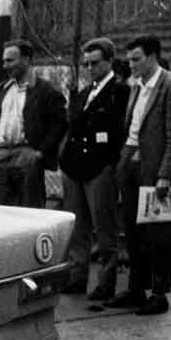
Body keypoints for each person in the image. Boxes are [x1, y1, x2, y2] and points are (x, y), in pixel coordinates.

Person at [106, 35, 171, 315]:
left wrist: (166, 175)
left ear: (153, 56)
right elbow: (132, 129)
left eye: (137, 59)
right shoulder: (136, 87)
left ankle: (159, 293)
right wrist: (122, 164)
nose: (132, 64)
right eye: (129, 60)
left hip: (155, 170)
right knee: (134, 232)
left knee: (160, 235)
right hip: (132, 165)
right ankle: (136, 288)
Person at [58, 37, 129, 301]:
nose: (90, 68)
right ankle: (77, 276)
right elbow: (73, 127)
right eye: (86, 63)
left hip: (100, 167)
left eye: (95, 63)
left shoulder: (120, 92)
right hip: (75, 166)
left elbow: (120, 130)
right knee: (79, 227)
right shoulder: (85, 93)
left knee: (105, 227)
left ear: (109, 61)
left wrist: (111, 164)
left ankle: (106, 282)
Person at [0, 39, 67, 209]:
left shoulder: (46, 91)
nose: (5, 65)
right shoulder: (1, 89)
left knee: (30, 211)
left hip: (27, 155)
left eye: (10, 60)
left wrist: (40, 153)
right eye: (4, 61)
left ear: (26, 60)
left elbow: (59, 125)